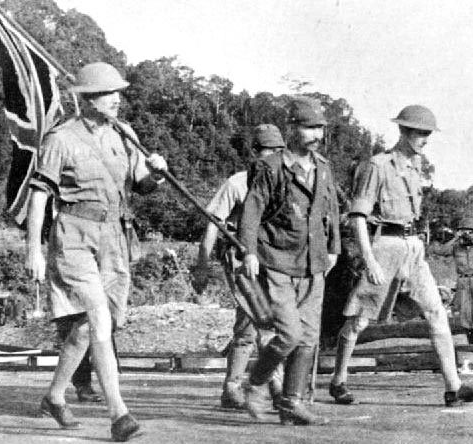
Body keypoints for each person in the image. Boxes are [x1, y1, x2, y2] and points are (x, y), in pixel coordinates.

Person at [25, 62, 168, 442]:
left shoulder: (125, 135)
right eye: (108, 94)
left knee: (90, 328)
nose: (117, 100)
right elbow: (38, 197)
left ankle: (55, 396)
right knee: (98, 318)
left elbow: (142, 185)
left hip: (115, 237)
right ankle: (118, 414)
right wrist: (34, 250)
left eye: (118, 93)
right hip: (73, 235)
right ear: (86, 99)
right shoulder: (61, 139)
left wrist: (155, 172)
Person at [329, 105, 473, 407]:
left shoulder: (417, 165)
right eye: (420, 133)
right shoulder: (377, 166)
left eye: (428, 134)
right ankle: (338, 380)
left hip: (413, 248)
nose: (425, 139)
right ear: (403, 131)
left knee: (436, 314)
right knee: (358, 321)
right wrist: (369, 260)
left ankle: (453, 388)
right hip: (384, 248)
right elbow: (357, 217)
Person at [238, 97, 339, 426]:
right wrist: (250, 252)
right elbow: (252, 210)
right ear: (292, 129)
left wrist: (334, 247)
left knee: (309, 337)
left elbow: (332, 212)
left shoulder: (322, 168)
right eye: (309, 128)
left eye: (320, 128)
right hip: (278, 261)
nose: (316, 135)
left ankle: (291, 403)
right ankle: (254, 385)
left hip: (313, 264)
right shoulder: (271, 167)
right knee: (289, 335)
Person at [191, 124, 286, 409]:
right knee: (252, 320)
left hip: (273, 258)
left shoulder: (284, 183)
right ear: (255, 153)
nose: (273, 159)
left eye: (278, 153)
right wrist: (202, 265)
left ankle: (268, 385)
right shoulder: (237, 183)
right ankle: (240, 386)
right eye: (268, 152)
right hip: (241, 257)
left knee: (272, 322)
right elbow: (212, 223)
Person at [432, 217, 473, 345]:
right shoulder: (455, 246)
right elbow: (440, 251)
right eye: (463, 232)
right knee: (465, 313)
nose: (466, 235)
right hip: (463, 281)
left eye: (469, 232)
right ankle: (471, 345)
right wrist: (455, 238)